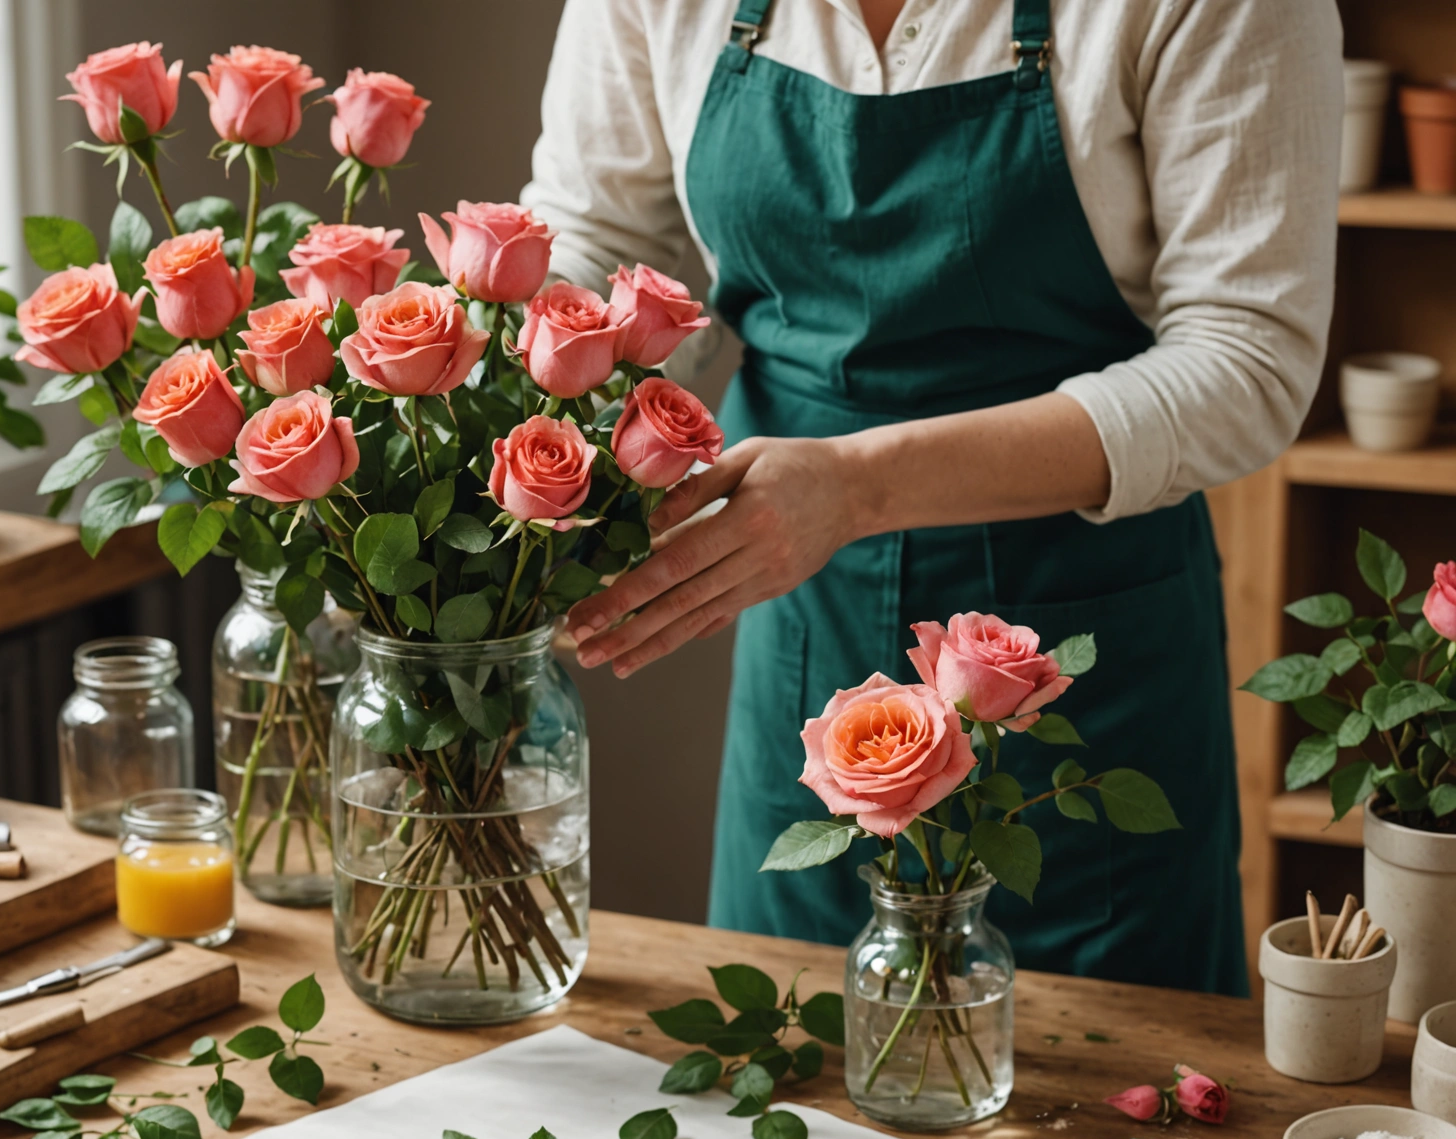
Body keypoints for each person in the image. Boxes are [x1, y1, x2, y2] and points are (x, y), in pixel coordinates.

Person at [524, 0, 1341, 995]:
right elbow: (602, 239)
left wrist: (859, 487)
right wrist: (524, 488)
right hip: (801, 617)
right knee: (787, 1053)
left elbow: (1248, 357)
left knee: (1095, 1099)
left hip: (1081, 651)